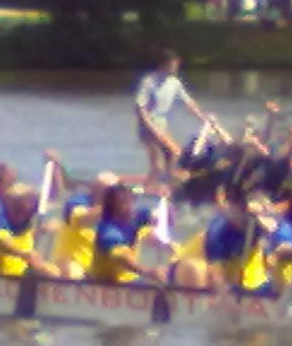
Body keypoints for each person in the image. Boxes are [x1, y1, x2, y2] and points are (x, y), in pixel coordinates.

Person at [134, 50, 209, 184]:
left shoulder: (174, 83)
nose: (175, 68)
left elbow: (189, 103)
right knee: (174, 153)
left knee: (163, 162)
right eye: (172, 65)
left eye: (176, 65)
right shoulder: (149, 82)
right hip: (148, 125)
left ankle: (162, 186)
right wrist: (152, 129)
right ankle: (161, 185)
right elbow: (140, 108)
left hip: (162, 124)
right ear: (162, 65)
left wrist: (204, 119)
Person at [0, 183, 58, 277]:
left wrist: (43, 229)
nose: (24, 215)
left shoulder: (26, 215)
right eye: (20, 210)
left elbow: (19, 237)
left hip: (22, 271)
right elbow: (1, 240)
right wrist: (23, 254)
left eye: (30, 211)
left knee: (54, 272)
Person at [87, 184, 167, 284]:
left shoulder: (133, 217)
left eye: (132, 200)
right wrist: (149, 272)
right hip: (109, 285)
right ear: (113, 207)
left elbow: (153, 215)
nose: (130, 206)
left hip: (131, 280)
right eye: (124, 202)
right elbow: (123, 258)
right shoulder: (109, 232)